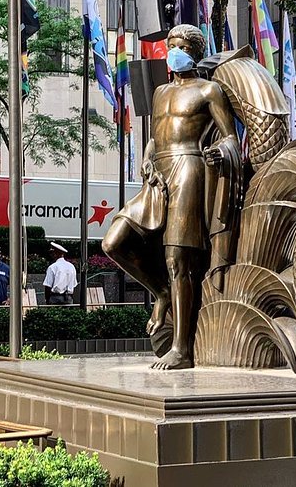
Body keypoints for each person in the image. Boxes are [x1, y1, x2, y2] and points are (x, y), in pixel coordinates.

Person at [102, 24, 241, 370]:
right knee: (114, 242)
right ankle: (162, 292)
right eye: (169, 46)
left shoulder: (209, 91)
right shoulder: (160, 92)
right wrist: (147, 158)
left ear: (193, 52)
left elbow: (231, 139)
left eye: (178, 46)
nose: (171, 52)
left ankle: (182, 348)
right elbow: (154, 138)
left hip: (189, 169)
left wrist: (221, 154)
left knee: (179, 259)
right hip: (157, 174)